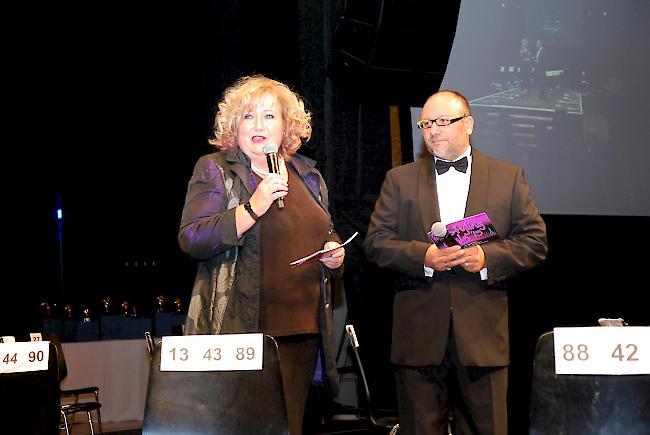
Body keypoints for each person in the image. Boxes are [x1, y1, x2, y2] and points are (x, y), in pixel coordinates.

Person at [363, 90, 547, 435]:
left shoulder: (508, 177)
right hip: (418, 341)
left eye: (443, 122)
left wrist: (486, 257)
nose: (433, 130)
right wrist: (425, 257)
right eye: (426, 123)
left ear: (469, 124)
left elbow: (535, 242)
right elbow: (376, 244)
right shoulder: (399, 180)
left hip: (483, 340)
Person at [178, 74, 345, 435]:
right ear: (234, 126)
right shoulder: (216, 169)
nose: (258, 125)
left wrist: (333, 249)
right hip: (246, 332)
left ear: (287, 127)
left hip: (302, 327)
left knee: (290, 428)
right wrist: (253, 207)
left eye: (270, 116)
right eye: (248, 116)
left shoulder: (308, 174)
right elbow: (193, 238)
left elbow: (322, 228)